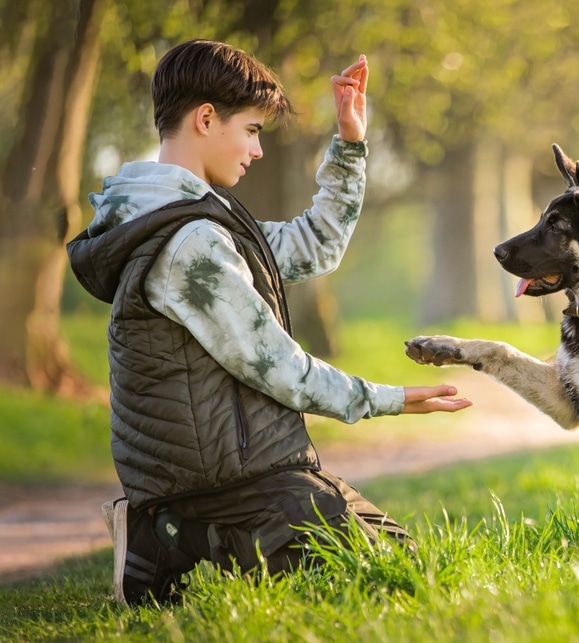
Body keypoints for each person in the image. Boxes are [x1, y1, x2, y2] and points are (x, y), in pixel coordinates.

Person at [66, 39, 472, 607]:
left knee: (397, 562)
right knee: (392, 574)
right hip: (225, 482)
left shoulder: (200, 218)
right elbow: (278, 367)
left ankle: (165, 537)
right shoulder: (189, 244)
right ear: (206, 118)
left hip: (236, 468)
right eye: (253, 130)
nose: (257, 150)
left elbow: (313, 248)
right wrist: (390, 398)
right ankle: (169, 532)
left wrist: (350, 144)